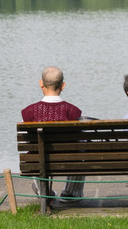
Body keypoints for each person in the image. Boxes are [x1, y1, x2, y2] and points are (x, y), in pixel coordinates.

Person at [21, 66, 84, 203]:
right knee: (81, 151)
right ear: (63, 86)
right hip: (68, 161)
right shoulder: (73, 112)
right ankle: (71, 193)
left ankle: (45, 192)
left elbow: (27, 141)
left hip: (40, 162)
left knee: (34, 152)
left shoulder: (28, 113)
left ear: (41, 84)